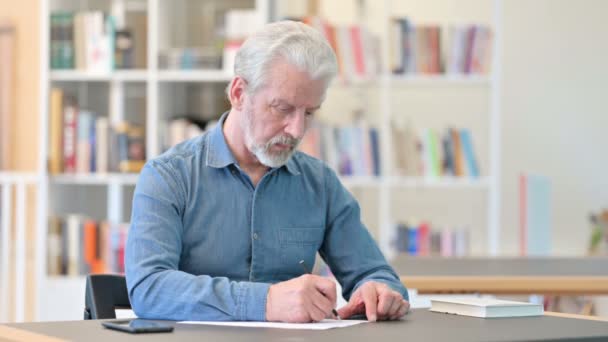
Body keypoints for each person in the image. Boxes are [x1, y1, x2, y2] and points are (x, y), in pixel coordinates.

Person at [125, 20, 409, 323]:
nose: (297, 129)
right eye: (282, 108)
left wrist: (378, 291)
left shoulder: (319, 183)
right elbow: (148, 287)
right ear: (238, 93)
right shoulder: (168, 177)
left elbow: (374, 272)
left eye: (309, 112)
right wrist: (265, 302)